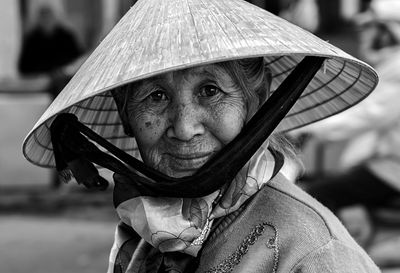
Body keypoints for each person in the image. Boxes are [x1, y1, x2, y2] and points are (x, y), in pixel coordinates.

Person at [22, 0, 381, 272]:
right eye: (156, 96)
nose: (183, 127)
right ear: (124, 112)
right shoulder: (146, 229)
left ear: (256, 100)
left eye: (210, 90)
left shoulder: (311, 253)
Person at [18, 3, 83, 99]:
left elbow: (79, 58)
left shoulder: (66, 36)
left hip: (64, 78)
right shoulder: (32, 39)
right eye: (43, 16)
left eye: (49, 15)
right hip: (41, 81)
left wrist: (65, 70)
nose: (46, 19)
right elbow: (23, 67)